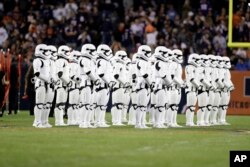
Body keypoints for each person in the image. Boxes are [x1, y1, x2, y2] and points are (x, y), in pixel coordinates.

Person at [32, 44, 51, 128]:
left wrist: (50, 79)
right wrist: (47, 79)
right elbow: (37, 73)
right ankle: (37, 122)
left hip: (45, 84)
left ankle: (43, 121)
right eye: (45, 51)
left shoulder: (45, 61)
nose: (47, 53)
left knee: (44, 104)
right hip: (40, 83)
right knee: (39, 104)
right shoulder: (37, 60)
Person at [135, 45, 152, 129]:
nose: (149, 54)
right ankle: (138, 124)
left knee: (143, 106)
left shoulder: (145, 62)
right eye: (148, 52)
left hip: (146, 86)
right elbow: (144, 74)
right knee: (141, 106)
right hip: (142, 86)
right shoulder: (141, 62)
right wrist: (151, 83)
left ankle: (142, 123)